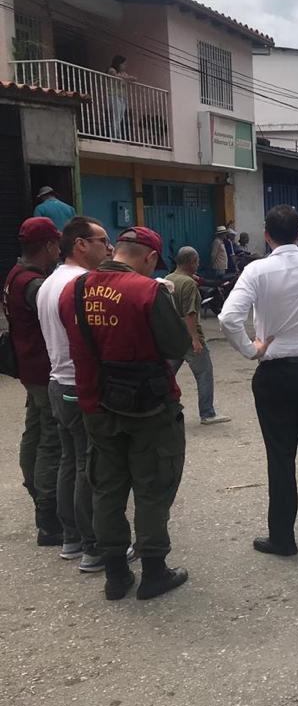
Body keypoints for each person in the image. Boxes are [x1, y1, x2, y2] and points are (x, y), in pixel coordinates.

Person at [60, 226, 191, 600]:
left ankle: (115, 575)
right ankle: (153, 571)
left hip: (95, 405)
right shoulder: (148, 290)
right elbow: (177, 343)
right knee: (152, 486)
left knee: (107, 488)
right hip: (149, 409)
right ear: (150, 257)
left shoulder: (75, 290)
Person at [219, 207, 298, 557]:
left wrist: (251, 350)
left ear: (266, 235)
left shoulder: (256, 271)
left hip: (274, 374)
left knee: (280, 456)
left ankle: (282, 538)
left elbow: (229, 318)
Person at [37, 216, 114, 570]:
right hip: (78, 383)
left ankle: (70, 537)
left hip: (58, 382)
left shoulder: (50, 282)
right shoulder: (82, 283)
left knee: (70, 461)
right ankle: (93, 545)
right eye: (101, 240)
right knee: (89, 466)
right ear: (80, 244)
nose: (108, 246)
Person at [4, 217, 64, 546]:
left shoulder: (14, 275)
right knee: (50, 441)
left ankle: (35, 492)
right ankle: (48, 516)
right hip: (43, 369)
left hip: (28, 369)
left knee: (35, 431)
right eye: (56, 243)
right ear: (49, 246)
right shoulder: (34, 285)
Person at [166, 247, 231, 426]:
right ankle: (207, 413)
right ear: (192, 262)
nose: (199, 264)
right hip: (189, 338)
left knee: (166, 375)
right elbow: (190, 314)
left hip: (172, 338)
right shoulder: (188, 284)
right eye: (197, 261)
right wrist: (195, 339)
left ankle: (161, 409)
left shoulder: (168, 279)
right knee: (204, 374)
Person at [106, 55, 136, 139]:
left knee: (119, 118)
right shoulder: (111, 70)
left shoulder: (124, 74)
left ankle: (117, 136)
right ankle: (114, 137)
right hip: (114, 96)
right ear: (118, 63)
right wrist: (129, 78)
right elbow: (115, 76)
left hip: (122, 97)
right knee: (115, 118)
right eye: (124, 64)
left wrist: (130, 78)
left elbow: (129, 79)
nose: (125, 66)